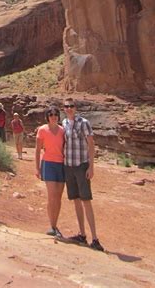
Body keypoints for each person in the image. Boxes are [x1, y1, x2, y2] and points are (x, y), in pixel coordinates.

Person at [61, 98, 104, 251]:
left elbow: (91, 144)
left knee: (86, 200)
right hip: (69, 166)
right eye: (66, 106)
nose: (69, 108)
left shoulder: (84, 122)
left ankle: (95, 238)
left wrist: (91, 167)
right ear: (64, 108)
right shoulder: (64, 123)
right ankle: (82, 234)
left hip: (81, 166)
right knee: (76, 200)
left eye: (71, 106)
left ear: (75, 107)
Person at [35, 106, 65, 238]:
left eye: (56, 114)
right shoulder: (42, 130)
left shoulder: (63, 131)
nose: (54, 116)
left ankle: (55, 225)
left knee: (58, 197)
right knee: (52, 195)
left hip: (61, 164)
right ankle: (52, 226)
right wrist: (37, 168)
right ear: (47, 117)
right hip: (48, 163)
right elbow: (37, 150)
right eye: (51, 114)